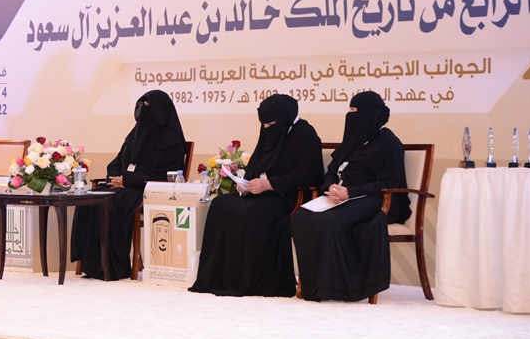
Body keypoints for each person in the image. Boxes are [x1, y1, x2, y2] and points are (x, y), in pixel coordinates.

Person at [190, 94, 324, 297]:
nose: (266, 129)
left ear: (284, 120)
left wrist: (270, 184)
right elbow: (257, 163)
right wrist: (244, 183)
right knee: (220, 205)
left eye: (271, 124)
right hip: (260, 192)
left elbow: (308, 174)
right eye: (264, 124)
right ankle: (221, 278)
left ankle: (249, 280)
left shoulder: (305, 134)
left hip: (288, 196)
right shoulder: (270, 131)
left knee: (251, 213)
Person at [291, 91, 411, 302]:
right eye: (350, 110)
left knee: (331, 222)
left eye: (355, 111)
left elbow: (388, 182)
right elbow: (332, 170)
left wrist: (351, 192)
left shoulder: (389, 142)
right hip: (339, 197)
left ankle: (335, 286)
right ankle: (311, 284)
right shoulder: (352, 140)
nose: (351, 116)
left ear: (371, 114)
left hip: (371, 198)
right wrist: (330, 187)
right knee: (300, 218)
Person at [71, 90, 186, 280]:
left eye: (147, 106)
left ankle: (113, 265)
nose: (143, 110)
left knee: (116, 203)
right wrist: (115, 177)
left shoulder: (172, 140)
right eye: (140, 105)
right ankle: (92, 262)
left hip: (146, 190)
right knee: (90, 198)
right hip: (122, 185)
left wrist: (128, 180)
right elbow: (118, 161)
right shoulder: (135, 134)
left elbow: (165, 175)